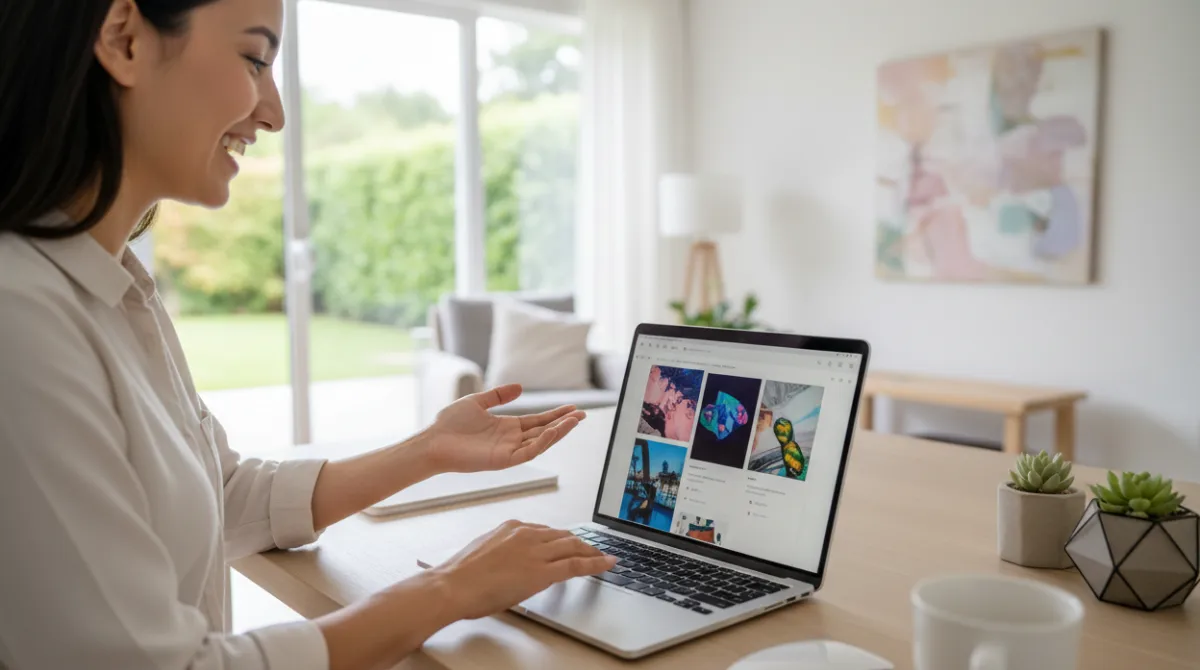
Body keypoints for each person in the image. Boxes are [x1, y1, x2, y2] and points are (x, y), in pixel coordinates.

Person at [0, 2, 616, 669]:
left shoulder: (115, 292)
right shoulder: (22, 322)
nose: (273, 114)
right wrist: (449, 589)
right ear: (124, 39)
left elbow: (219, 494)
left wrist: (429, 450)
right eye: (253, 59)